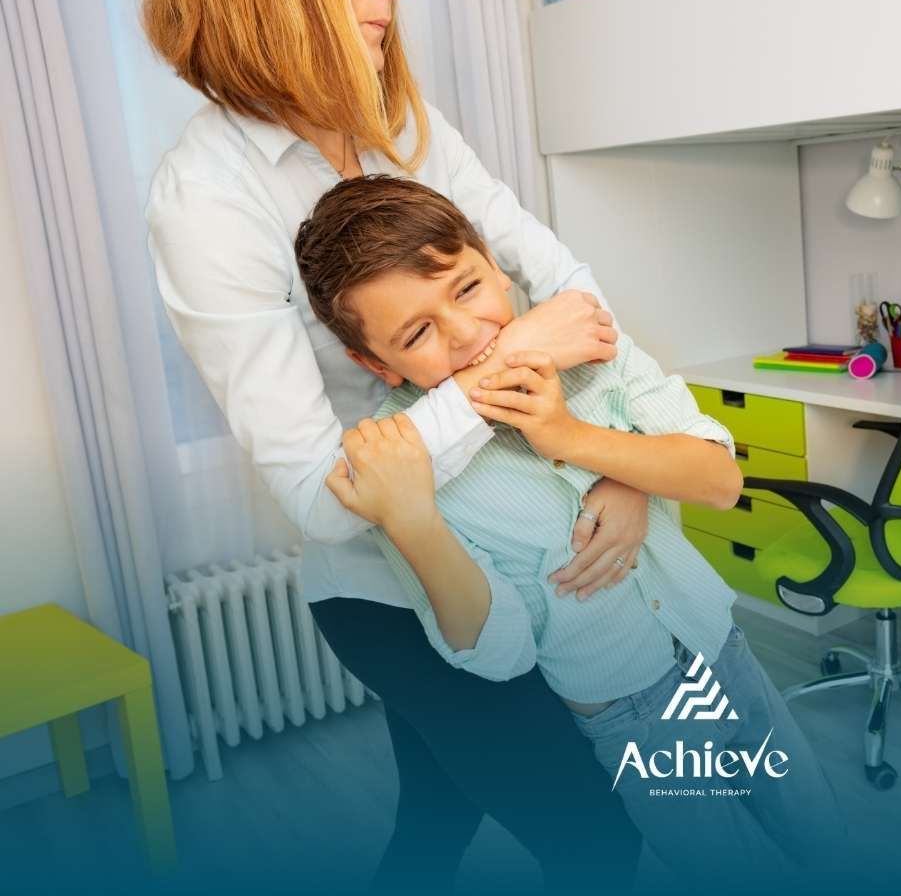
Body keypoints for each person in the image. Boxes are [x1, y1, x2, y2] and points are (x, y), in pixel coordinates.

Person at [142, 0, 642, 887]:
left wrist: (609, 461)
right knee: (598, 836)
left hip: (514, 531)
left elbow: (566, 291)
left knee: (438, 808)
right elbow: (320, 499)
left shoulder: (403, 122)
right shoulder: (207, 200)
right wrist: (515, 359)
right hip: (389, 591)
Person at [294, 174, 848, 883]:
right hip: (630, 710)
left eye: (467, 289)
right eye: (418, 332)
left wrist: (572, 438)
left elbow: (718, 479)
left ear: (495, 265)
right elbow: (500, 654)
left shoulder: (587, 343)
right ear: (375, 363)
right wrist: (413, 521)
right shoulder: (398, 459)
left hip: (717, 642)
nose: (468, 336)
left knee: (816, 828)